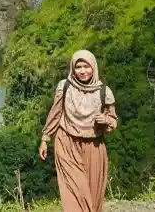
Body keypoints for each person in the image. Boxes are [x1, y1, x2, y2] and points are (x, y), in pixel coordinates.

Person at [38, 49, 117, 212]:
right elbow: (55, 113)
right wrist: (45, 139)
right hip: (66, 142)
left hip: (93, 146)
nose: (82, 71)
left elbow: (112, 121)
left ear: (93, 67)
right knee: (74, 191)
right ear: (72, 69)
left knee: (92, 194)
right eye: (78, 67)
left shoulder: (104, 92)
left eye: (86, 66)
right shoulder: (65, 87)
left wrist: (105, 120)